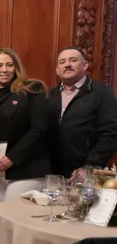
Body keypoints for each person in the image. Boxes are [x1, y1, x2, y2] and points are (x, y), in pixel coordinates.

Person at [0, 48, 50, 225]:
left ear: (16, 67)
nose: (4, 70)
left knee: (13, 217)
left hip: (26, 163)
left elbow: (39, 128)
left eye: (9, 65)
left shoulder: (32, 90)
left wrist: (12, 157)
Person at [47, 46, 117, 179]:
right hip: (52, 171)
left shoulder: (101, 93)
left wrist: (89, 167)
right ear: (57, 70)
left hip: (84, 171)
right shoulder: (49, 94)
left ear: (85, 65)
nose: (67, 64)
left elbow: (111, 134)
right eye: (62, 62)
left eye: (73, 60)